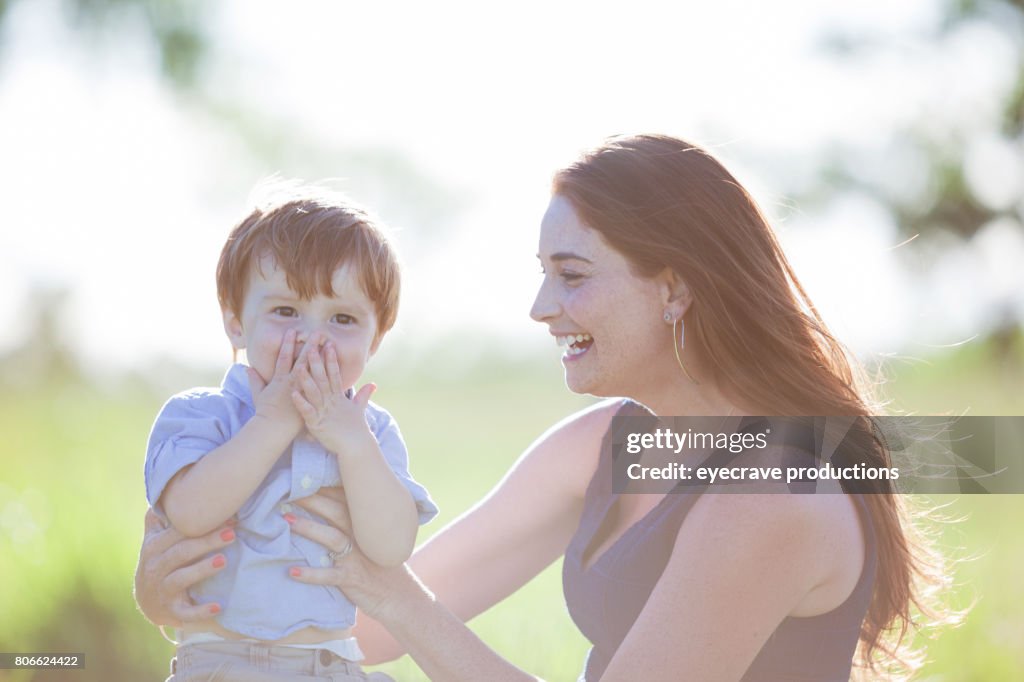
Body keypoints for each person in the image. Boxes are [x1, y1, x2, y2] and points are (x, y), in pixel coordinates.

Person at [137, 136, 950, 681]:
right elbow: (369, 625)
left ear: (675, 291)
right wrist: (182, 598)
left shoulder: (773, 497)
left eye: (571, 273)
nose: (539, 306)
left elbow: (398, 604)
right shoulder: (606, 446)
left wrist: (390, 594)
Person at [142, 184, 438, 681]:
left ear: (376, 340)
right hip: (219, 663)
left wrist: (353, 445)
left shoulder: (371, 431)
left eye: (342, 319)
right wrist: (272, 423)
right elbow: (190, 514)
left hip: (329, 664)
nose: (313, 337)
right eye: (285, 311)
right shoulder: (202, 416)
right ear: (236, 323)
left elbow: (390, 549)